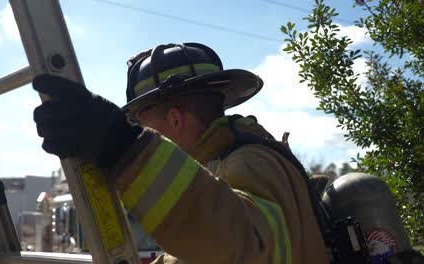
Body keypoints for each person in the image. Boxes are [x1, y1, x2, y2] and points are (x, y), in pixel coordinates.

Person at [32, 42, 329, 264]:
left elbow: (243, 247)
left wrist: (125, 147)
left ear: (175, 120)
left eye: (142, 124)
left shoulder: (248, 162)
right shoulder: (217, 172)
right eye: (136, 129)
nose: (142, 133)